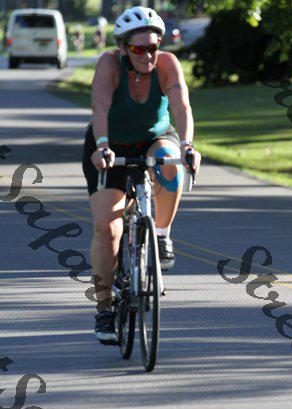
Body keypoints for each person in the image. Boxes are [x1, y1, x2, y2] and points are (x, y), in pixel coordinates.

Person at [82, 6, 201, 343]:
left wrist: (188, 146)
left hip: (154, 138)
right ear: (123, 47)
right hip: (110, 145)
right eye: (138, 48)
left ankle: (161, 234)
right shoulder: (109, 64)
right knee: (107, 230)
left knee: (168, 160)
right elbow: (100, 107)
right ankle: (105, 308)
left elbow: (181, 106)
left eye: (153, 47)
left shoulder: (167, 64)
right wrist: (102, 146)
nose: (147, 55)